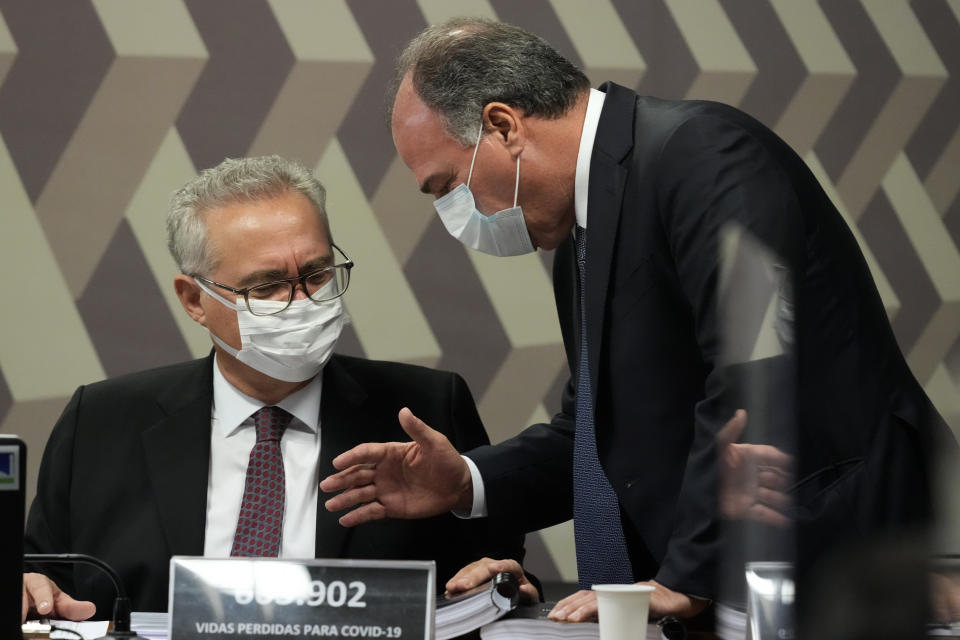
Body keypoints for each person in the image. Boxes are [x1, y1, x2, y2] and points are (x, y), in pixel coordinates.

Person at [321, 17, 954, 625]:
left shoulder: (704, 157)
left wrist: (687, 575)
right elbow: (599, 430)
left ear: (503, 125)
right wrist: (468, 480)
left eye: (447, 186)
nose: (457, 214)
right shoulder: (583, 226)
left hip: (857, 562)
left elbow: (755, 379)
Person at [21, 155, 528, 620]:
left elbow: (494, 576)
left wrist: (501, 585)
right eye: (266, 286)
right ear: (194, 300)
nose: (302, 301)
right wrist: (28, 587)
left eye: (316, 273)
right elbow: (44, 577)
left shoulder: (426, 410)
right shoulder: (102, 423)